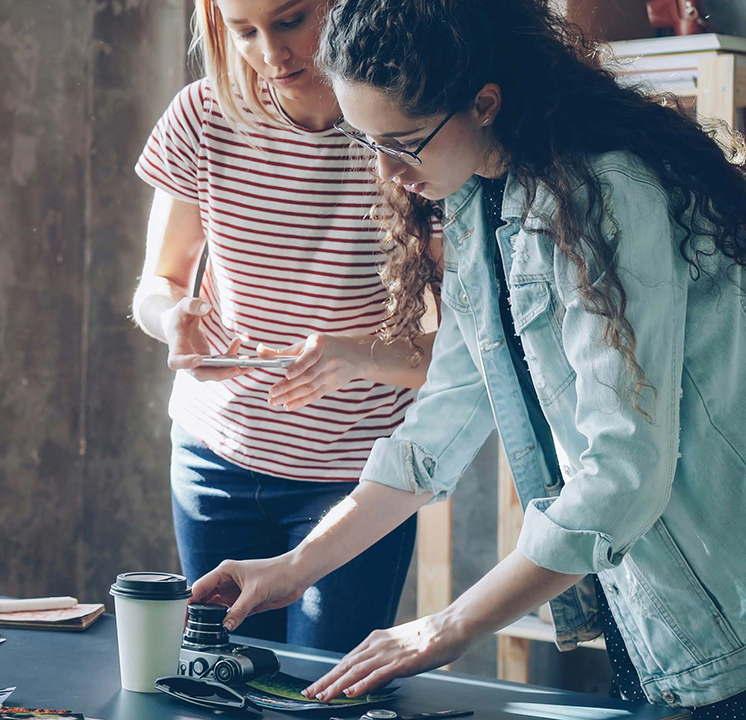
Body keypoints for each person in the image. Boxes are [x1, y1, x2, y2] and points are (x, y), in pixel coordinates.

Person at [189, 0, 746, 715]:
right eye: (369, 144)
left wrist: (445, 627)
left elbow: (623, 475)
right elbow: (437, 428)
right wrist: (296, 568)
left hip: (724, 620)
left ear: (484, 103)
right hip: (666, 622)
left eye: (403, 143)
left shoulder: (605, 193)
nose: (388, 173)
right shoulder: (481, 195)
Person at [131, 0, 442, 653]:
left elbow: (468, 353)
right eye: (244, 31)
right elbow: (156, 284)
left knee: (317, 691)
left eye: (291, 20)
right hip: (211, 459)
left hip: (355, 480)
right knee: (225, 680)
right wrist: (172, 320)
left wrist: (356, 354)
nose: (271, 54)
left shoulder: (411, 135)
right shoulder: (201, 116)